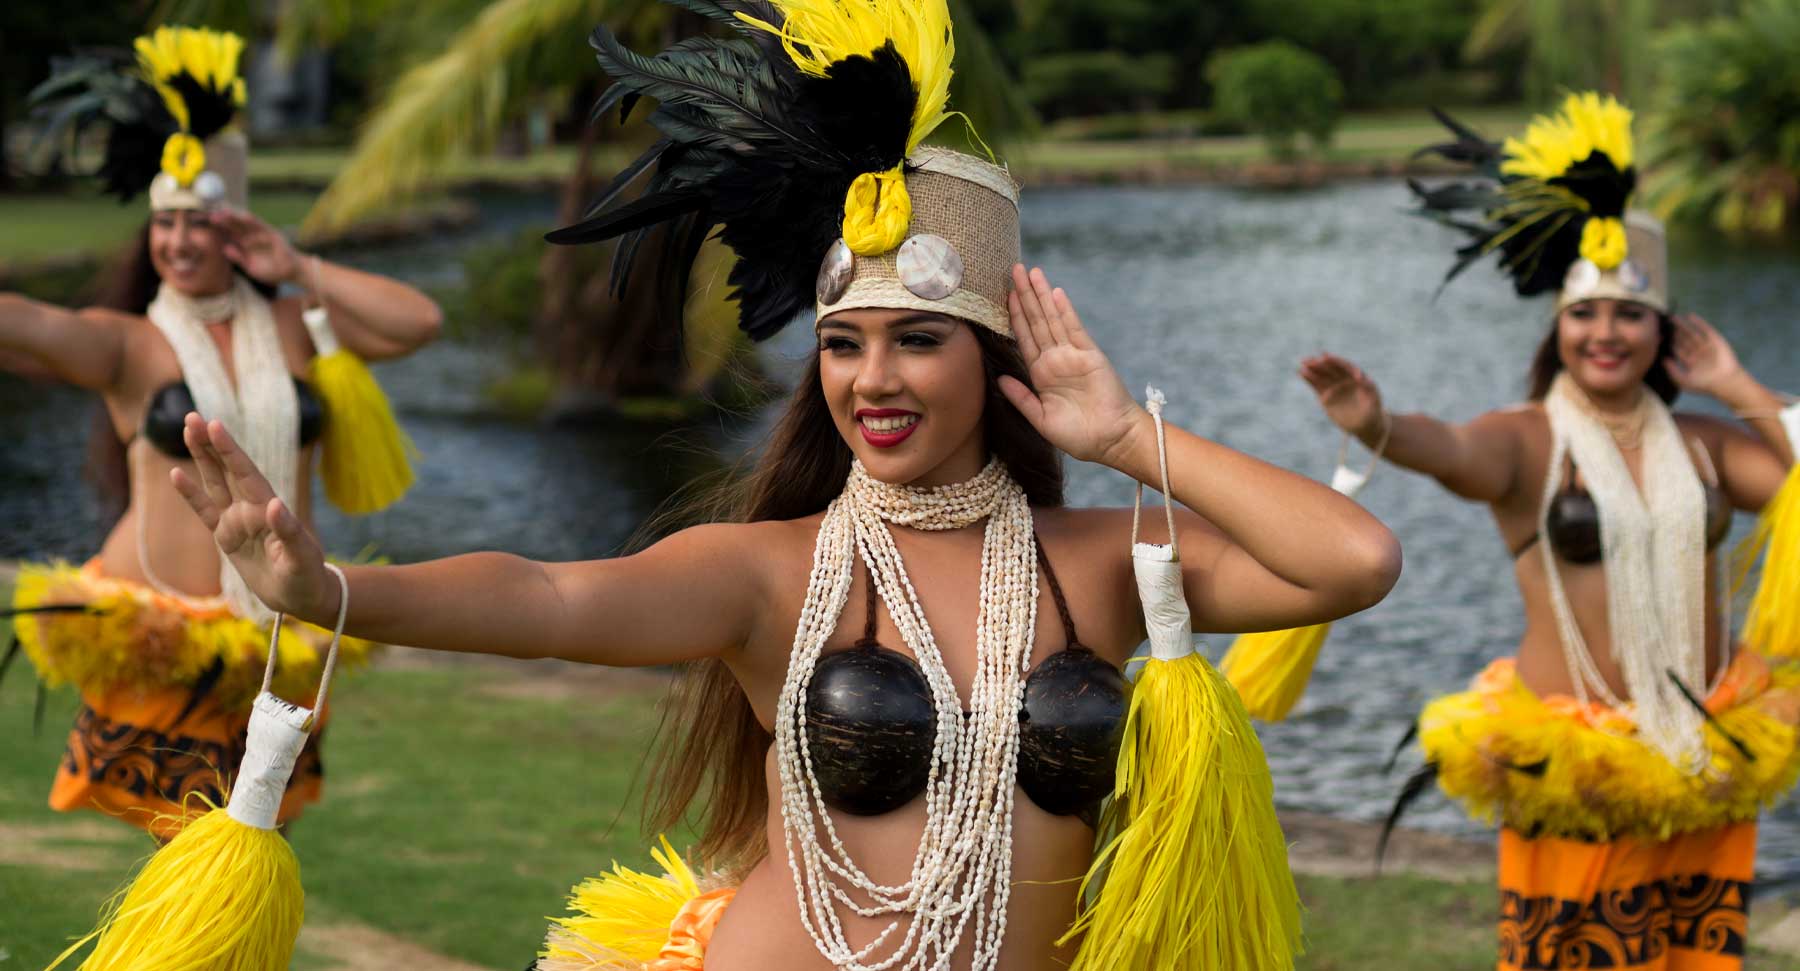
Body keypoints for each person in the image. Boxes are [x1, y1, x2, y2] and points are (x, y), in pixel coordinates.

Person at [165, 1, 1401, 968]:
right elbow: (546, 593)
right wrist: (328, 587)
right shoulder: (776, 572)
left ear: (991, 358)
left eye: (919, 338)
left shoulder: (1099, 561)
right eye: (845, 343)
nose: (875, 377)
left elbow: (1353, 561)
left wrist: (1132, 435)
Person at [1305, 93, 1799, 970]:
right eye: (1585, 314)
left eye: (1629, 314)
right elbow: (1450, 448)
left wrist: (1737, 385)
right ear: (1557, 327)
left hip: (1702, 746)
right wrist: (1377, 421)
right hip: (1573, 756)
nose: (1606, 333)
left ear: (1662, 330)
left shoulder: (1706, 445)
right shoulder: (1528, 441)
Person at [3, 26, 442, 838]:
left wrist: (296, 265)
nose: (176, 241)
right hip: (156, 630)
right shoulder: (130, 343)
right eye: (163, 225)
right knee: (177, 862)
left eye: (197, 224)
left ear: (232, 227)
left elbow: (418, 320)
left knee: (250, 848)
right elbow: (27, 325)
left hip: (277, 632)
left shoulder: (295, 324)